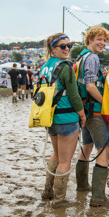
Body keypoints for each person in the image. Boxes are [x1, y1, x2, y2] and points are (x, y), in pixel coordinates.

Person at [40, 33, 86, 207]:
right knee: (65, 160)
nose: (67, 49)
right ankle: (59, 200)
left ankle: (47, 191)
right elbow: (74, 96)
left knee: (57, 155)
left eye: (69, 45)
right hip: (67, 117)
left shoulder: (45, 66)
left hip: (50, 117)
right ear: (53, 48)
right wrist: (82, 116)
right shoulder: (66, 66)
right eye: (62, 46)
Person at [75, 25, 109, 207]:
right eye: (99, 39)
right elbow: (91, 86)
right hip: (95, 110)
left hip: (84, 111)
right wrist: (107, 103)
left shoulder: (80, 57)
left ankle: (82, 186)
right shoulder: (93, 58)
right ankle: (98, 197)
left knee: (86, 146)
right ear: (89, 39)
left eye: (105, 40)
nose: (102, 43)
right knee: (104, 150)